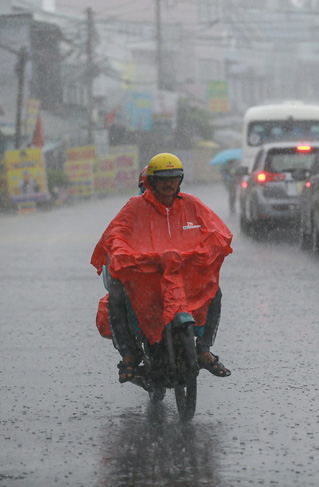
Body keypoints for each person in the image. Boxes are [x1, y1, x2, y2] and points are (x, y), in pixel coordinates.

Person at [91, 153, 233, 383]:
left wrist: (206, 252)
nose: (169, 184)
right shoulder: (136, 206)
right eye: (163, 179)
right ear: (150, 182)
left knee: (215, 291)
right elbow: (115, 234)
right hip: (144, 277)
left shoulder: (191, 204)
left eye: (174, 178)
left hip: (182, 277)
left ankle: (203, 349)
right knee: (116, 297)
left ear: (180, 180)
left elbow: (217, 231)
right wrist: (123, 255)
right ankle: (129, 354)